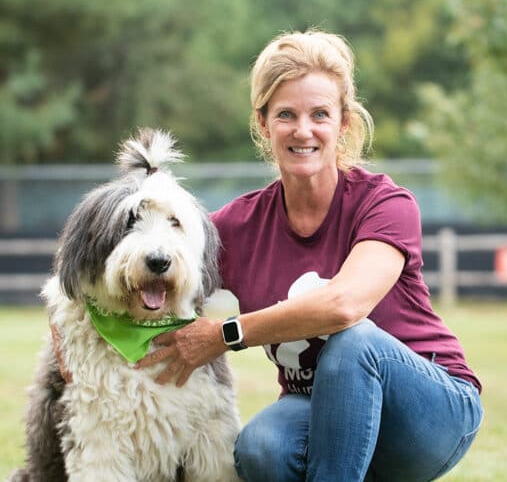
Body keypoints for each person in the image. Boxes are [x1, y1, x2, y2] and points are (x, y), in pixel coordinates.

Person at [137, 30, 483, 481]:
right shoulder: (234, 227)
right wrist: (66, 325)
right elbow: (147, 263)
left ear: (343, 124)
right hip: (318, 410)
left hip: (431, 411)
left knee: (354, 342)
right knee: (260, 447)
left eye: (320, 114)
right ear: (263, 124)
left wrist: (227, 334)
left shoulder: (386, 203)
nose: (303, 130)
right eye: (286, 114)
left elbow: (344, 307)